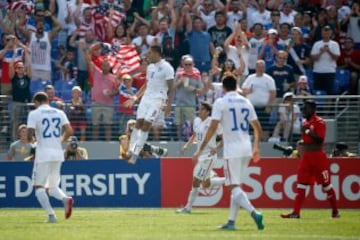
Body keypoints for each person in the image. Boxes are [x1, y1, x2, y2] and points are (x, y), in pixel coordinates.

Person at [193, 75, 264, 230]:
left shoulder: (221, 102)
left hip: (232, 150)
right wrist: (256, 147)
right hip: (247, 148)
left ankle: (254, 213)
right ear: (236, 85)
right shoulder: (246, 101)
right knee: (236, 185)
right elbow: (258, 128)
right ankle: (231, 222)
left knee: (233, 186)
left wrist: (201, 148)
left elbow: (212, 128)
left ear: (223, 88)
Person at [281, 100, 340, 219]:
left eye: (305, 108)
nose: (303, 110)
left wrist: (307, 131)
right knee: (301, 185)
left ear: (312, 109)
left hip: (318, 158)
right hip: (306, 158)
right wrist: (302, 141)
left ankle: (335, 211)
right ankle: (296, 213)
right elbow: (309, 140)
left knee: (326, 185)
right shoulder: (304, 121)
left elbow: (319, 140)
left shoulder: (319, 122)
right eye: (303, 108)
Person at [26, 92, 74, 223]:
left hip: (43, 154)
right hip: (57, 153)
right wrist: (61, 139)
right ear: (47, 100)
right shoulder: (59, 112)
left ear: (37, 102)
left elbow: (29, 133)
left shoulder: (34, 114)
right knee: (52, 188)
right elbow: (69, 130)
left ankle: (51, 215)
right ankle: (66, 199)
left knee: (38, 187)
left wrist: (32, 141)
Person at [124, 45, 175, 164]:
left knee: (146, 125)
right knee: (138, 123)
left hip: (158, 99)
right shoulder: (150, 67)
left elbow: (171, 89)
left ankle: (135, 155)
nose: (147, 55)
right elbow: (146, 84)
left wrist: (168, 106)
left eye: (150, 53)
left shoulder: (167, 68)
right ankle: (131, 150)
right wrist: (135, 97)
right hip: (146, 98)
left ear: (157, 53)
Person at [176, 101, 225, 214]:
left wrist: (216, 147)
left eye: (202, 109)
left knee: (196, 181)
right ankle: (228, 180)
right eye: (199, 108)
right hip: (200, 154)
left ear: (208, 112)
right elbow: (195, 135)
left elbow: (224, 138)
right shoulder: (197, 121)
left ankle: (187, 208)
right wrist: (187, 145)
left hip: (209, 155)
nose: (200, 110)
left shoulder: (213, 123)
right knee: (206, 184)